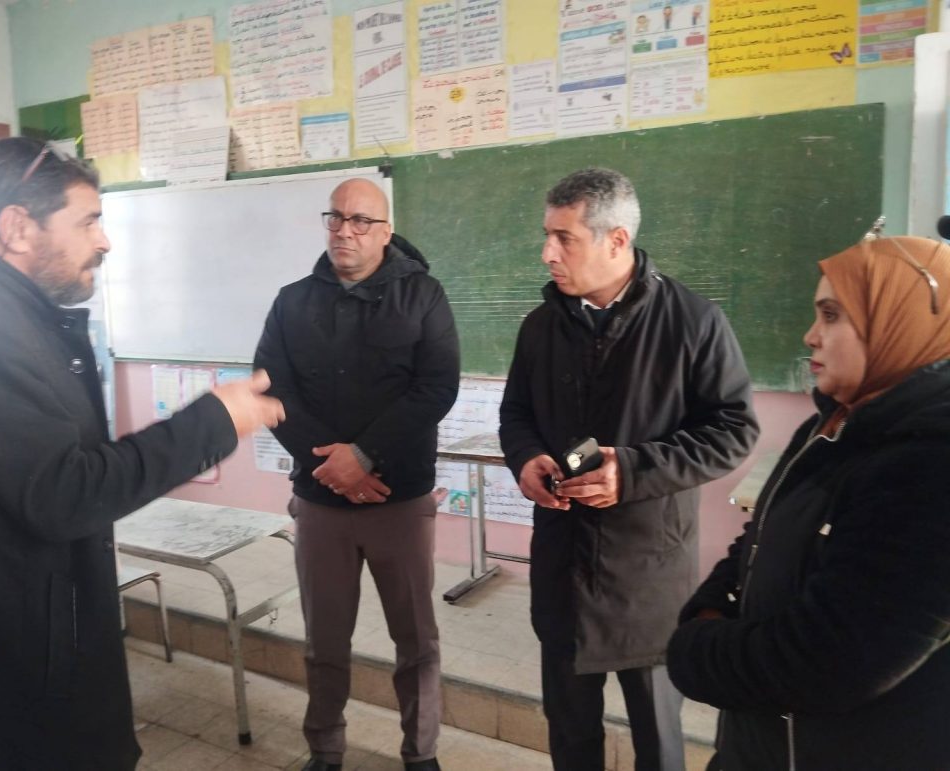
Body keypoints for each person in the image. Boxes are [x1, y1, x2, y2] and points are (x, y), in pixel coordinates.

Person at [0, 137, 286, 770]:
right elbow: (64, 493)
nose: (106, 241)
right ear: (17, 228)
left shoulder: (5, 313)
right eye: (88, 221)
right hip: (6, 668)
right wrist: (214, 422)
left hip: (27, 637)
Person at [499, 168, 758, 771]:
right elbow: (516, 413)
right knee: (570, 734)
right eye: (547, 236)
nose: (547, 253)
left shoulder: (692, 321)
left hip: (647, 574)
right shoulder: (541, 325)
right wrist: (526, 457)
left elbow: (734, 431)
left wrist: (634, 470)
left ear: (616, 240)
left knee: (658, 740)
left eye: (564, 238)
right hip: (563, 565)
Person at [667, 234, 950, 770]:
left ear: (897, 322)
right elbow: (759, 534)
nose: (811, 335)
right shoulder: (833, 423)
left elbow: (828, 661)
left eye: (831, 316)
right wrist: (708, 605)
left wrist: (692, 650)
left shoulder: (931, 462)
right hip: (762, 748)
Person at [253, 178, 459, 771]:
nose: (345, 230)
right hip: (321, 502)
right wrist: (334, 468)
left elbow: (436, 389)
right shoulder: (292, 302)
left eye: (361, 220)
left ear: (386, 231)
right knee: (325, 639)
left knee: (415, 640)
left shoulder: (424, 296)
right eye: (336, 218)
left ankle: (421, 754)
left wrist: (363, 456)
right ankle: (325, 749)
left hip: (399, 499)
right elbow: (271, 390)